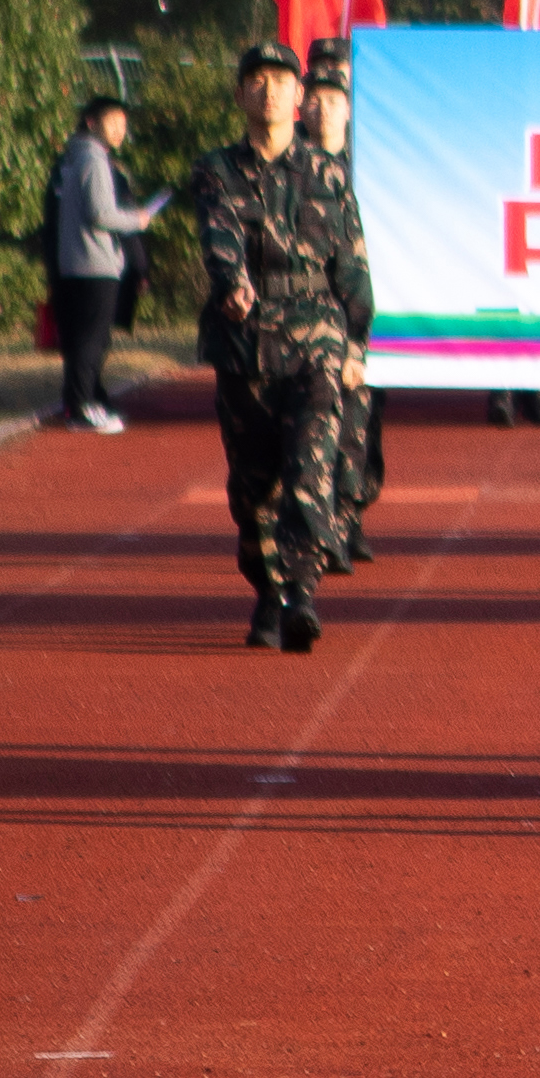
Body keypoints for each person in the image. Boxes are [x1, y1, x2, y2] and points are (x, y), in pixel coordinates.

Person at [188, 41, 370, 652]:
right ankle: (267, 591)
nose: (270, 92)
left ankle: (301, 592)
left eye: (281, 82)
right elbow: (220, 239)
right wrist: (232, 284)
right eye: (257, 81)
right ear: (241, 95)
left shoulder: (329, 175)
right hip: (246, 348)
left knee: (310, 466)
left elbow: (353, 265)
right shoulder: (217, 170)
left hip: (316, 340)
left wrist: (356, 344)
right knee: (252, 487)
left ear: (299, 98)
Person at [302, 45, 384, 567]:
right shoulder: (292, 162)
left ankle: (352, 512)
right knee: (315, 423)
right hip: (307, 316)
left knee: (361, 418)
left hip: (361, 308)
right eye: (318, 93)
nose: (325, 104)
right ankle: (324, 522)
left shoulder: (373, 164)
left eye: (337, 93)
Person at [44, 94, 168, 431]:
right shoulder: (95, 160)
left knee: (82, 339)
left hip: (73, 263)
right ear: (91, 122)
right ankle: (82, 406)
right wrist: (138, 219)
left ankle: (81, 402)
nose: (119, 131)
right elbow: (101, 214)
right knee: (92, 341)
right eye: (112, 123)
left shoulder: (70, 159)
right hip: (95, 264)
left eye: (123, 125)